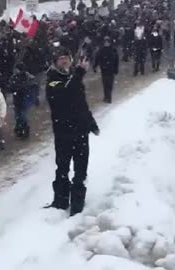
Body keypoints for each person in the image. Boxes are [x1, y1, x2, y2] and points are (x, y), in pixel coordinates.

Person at [45, 48, 100, 216]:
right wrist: (80, 72)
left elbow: (81, 103)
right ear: (55, 63)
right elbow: (65, 94)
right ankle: (60, 202)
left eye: (66, 58)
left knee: (81, 171)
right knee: (62, 169)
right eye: (60, 59)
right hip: (64, 133)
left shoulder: (73, 78)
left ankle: (77, 205)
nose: (64, 61)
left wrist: (91, 122)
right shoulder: (53, 81)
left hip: (81, 132)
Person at [93, 36, 119, 103]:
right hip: (104, 69)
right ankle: (105, 97)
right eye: (105, 42)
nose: (106, 43)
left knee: (110, 84)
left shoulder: (113, 50)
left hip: (111, 69)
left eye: (108, 42)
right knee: (105, 84)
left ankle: (109, 97)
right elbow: (97, 58)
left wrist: (116, 69)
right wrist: (95, 66)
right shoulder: (101, 50)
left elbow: (116, 60)